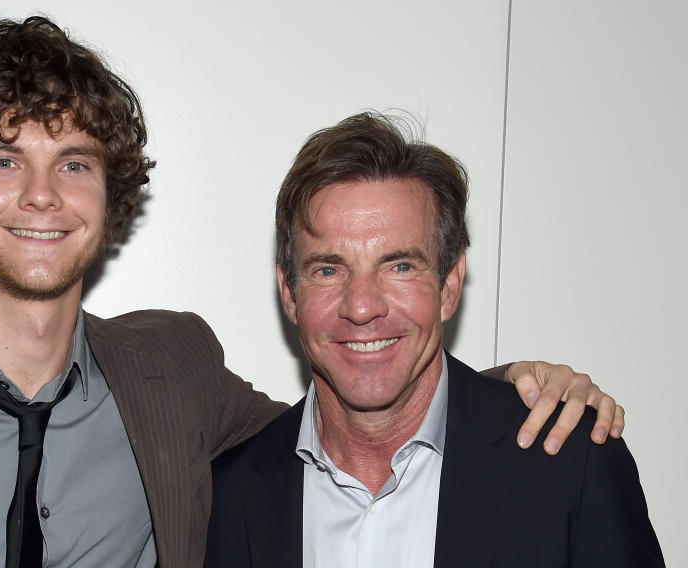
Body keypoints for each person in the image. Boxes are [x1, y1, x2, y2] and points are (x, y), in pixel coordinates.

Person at [0, 17, 623, 568]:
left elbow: (354, 408)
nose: (42, 195)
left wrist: (512, 386)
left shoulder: (174, 374)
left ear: (108, 196)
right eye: (5, 159)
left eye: (74, 163)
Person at [205, 112, 664, 567]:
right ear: (289, 294)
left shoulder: (571, 464)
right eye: (328, 269)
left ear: (449, 285)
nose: (362, 306)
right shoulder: (226, 498)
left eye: (399, 266)